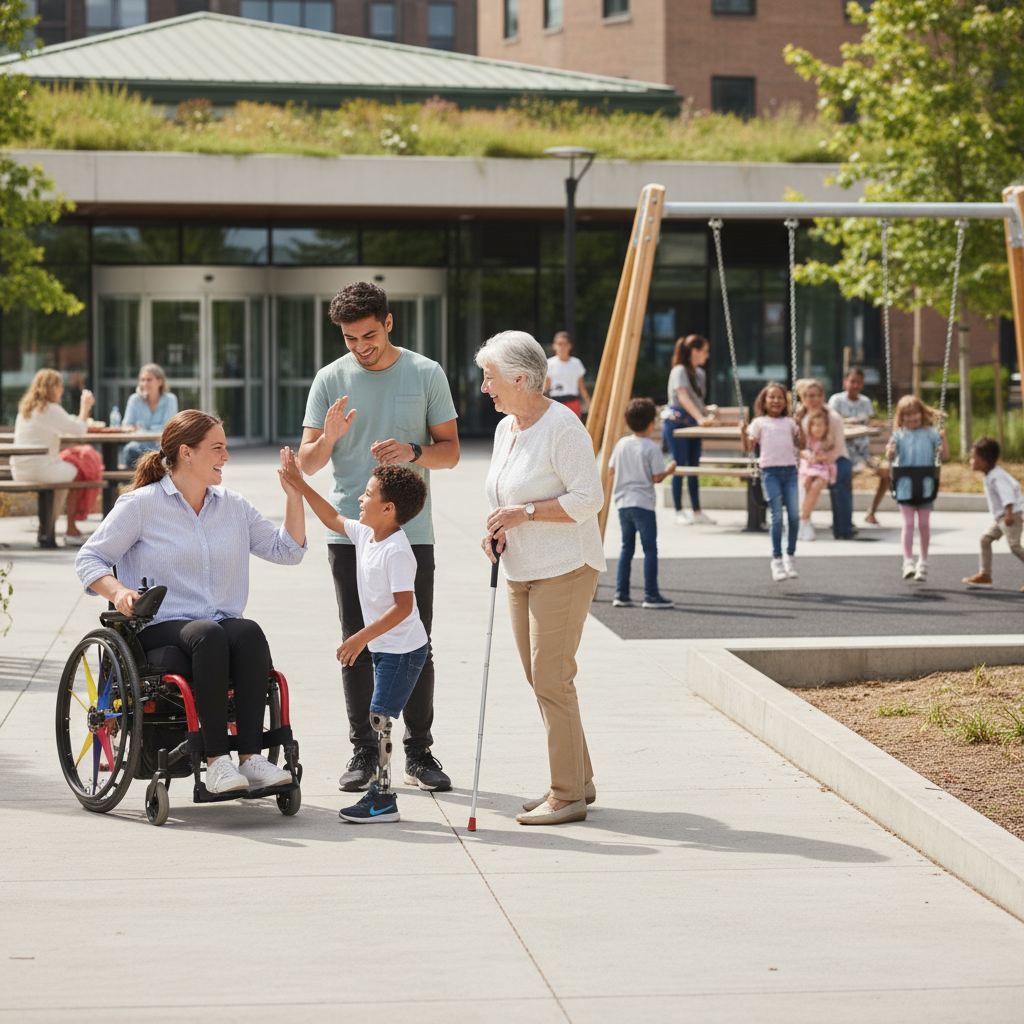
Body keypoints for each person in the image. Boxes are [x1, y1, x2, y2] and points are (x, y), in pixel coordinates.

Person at [74, 410, 307, 794]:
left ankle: (251, 759)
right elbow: (89, 559)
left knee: (248, 632)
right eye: (217, 448)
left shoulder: (233, 506)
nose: (226, 457)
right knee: (208, 634)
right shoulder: (141, 505)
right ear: (186, 453)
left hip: (216, 625)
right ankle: (216, 762)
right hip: (157, 629)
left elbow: (288, 551)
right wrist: (118, 592)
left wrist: (295, 495)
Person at [299, 281, 459, 794]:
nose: (360, 347)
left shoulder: (426, 372)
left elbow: (451, 452)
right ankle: (365, 751)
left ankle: (419, 751)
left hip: (412, 533)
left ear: (389, 323)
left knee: (416, 643)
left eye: (369, 335)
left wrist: (414, 452)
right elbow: (307, 463)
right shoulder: (329, 379)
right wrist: (329, 438)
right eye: (350, 339)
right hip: (350, 535)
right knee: (358, 643)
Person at [478, 330, 605, 826]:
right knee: (542, 679)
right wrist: (496, 530)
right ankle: (580, 779)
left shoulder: (563, 427)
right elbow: (502, 495)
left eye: (489, 377)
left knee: (552, 677)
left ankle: (567, 794)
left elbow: (588, 499)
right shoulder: (506, 428)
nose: (484, 387)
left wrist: (525, 513)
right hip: (520, 569)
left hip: (566, 567)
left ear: (520, 379)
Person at [281, 449, 429, 823]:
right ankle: (382, 794)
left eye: (368, 494)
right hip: (386, 647)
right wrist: (300, 484)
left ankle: (383, 798)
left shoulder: (397, 551)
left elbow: (404, 607)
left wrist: (360, 637)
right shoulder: (367, 534)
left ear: (388, 509)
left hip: (403, 651)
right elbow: (331, 517)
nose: (360, 499)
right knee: (379, 717)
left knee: (379, 719)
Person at [11, 368, 98, 546]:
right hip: (41, 469)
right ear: (51, 387)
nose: (62, 389)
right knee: (81, 471)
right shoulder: (50, 409)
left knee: (66, 473)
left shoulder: (27, 409)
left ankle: (49, 528)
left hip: (20, 470)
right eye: (59, 385)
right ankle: (70, 529)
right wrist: (85, 407)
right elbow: (78, 429)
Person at [609, 397, 676, 609]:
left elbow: (611, 469)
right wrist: (669, 470)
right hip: (643, 504)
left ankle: (621, 593)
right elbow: (657, 477)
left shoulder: (621, 444)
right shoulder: (651, 447)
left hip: (623, 503)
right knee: (649, 549)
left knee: (626, 548)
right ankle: (651, 595)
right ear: (651, 423)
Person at [885, 395, 949, 582]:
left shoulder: (931, 433)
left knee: (923, 524)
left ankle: (923, 562)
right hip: (904, 485)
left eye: (915, 414)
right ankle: (907, 562)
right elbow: (890, 456)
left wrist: (943, 439)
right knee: (908, 524)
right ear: (901, 417)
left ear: (922, 414)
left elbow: (945, 456)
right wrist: (890, 451)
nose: (911, 419)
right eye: (907, 415)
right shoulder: (898, 434)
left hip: (926, 485)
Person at [742, 382, 801, 582]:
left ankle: (790, 557)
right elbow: (748, 447)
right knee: (777, 517)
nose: (776, 400)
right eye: (772, 397)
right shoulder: (759, 422)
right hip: (770, 473)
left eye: (780, 397)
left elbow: (801, 444)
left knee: (794, 516)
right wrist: (743, 432)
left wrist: (800, 426)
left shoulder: (790, 423)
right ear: (764, 401)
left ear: (785, 402)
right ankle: (777, 560)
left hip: (790, 472)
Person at [663, 335, 717, 525]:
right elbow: (682, 397)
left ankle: (696, 511)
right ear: (694, 351)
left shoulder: (699, 373)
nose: (707, 355)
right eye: (705, 351)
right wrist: (700, 418)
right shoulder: (679, 370)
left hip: (693, 424)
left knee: (694, 467)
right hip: (678, 424)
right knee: (679, 466)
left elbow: (695, 400)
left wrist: (706, 410)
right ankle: (678, 510)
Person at [962, 436, 1024, 591]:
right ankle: (985, 575)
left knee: (1015, 546)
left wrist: (1009, 514)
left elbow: (1008, 495)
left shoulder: (996, 476)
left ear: (985, 460)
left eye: (974, 458)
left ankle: (985, 575)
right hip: (1000, 517)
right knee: (985, 539)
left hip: (1011, 515)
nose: (971, 461)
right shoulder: (990, 474)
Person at [795, 378, 855, 539]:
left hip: (834, 458)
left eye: (817, 395)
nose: (814, 400)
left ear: (823, 397)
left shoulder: (832, 417)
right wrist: (805, 455)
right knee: (803, 481)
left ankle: (843, 528)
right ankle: (803, 521)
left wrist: (820, 458)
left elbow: (838, 448)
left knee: (839, 479)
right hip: (808, 460)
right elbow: (798, 444)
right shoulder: (800, 415)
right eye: (810, 396)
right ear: (803, 398)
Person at [828, 368, 890, 525]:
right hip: (843, 452)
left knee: (887, 471)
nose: (855, 385)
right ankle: (843, 519)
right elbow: (833, 422)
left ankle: (872, 511)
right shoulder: (836, 400)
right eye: (852, 381)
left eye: (859, 382)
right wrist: (851, 421)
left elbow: (869, 423)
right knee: (844, 475)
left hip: (864, 452)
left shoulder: (865, 402)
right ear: (845, 382)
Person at [122, 363, 179, 469]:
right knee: (130, 450)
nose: (144, 383)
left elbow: (168, 428)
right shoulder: (134, 400)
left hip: (160, 446)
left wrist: (141, 429)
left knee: (168, 455)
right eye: (142, 380)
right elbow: (126, 425)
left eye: (149, 380)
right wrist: (131, 428)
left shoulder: (170, 400)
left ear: (160, 382)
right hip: (139, 446)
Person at [797, 407, 837, 541]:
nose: (817, 428)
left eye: (820, 425)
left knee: (817, 483)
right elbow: (801, 452)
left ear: (826, 427)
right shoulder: (807, 440)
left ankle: (802, 517)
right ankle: (805, 521)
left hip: (822, 468)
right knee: (805, 483)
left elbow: (830, 456)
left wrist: (817, 458)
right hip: (808, 468)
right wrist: (807, 454)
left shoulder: (828, 441)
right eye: (814, 425)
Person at [544, 331, 590, 418]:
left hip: (573, 403)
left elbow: (581, 387)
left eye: (565, 344)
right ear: (554, 346)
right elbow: (546, 387)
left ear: (570, 346)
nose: (562, 347)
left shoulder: (576, 363)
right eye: (560, 344)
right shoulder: (549, 364)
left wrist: (589, 404)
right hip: (556, 403)